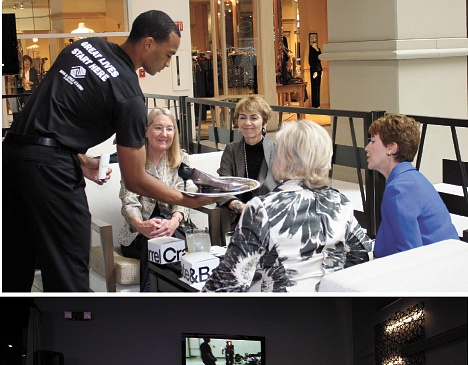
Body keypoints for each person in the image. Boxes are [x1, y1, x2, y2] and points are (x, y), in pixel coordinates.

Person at [2, 9, 215, 293]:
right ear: (149, 43)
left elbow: (53, 115)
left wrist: (77, 158)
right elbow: (135, 179)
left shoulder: (85, 46)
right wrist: (187, 200)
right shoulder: (130, 96)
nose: (168, 63)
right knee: (69, 272)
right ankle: (74, 333)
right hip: (49, 172)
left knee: (14, 265)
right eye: (168, 54)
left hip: (12, 156)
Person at [203, 119, 372, 292]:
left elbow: (229, 283)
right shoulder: (340, 202)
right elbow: (361, 256)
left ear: (286, 159)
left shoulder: (262, 208)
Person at [365, 114, 459, 259]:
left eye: (372, 141)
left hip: (435, 269)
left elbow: (410, 255)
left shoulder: (400, 189)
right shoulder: (408, 179)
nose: (366, 148)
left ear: (391, 148)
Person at [119, 107, 191, 291]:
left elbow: (184, 196)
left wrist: (175, 221)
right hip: (137, 233)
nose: (164, 134)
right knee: (155, 242)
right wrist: (141, 226)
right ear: (146, 130)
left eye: (169, 128)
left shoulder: (181, 159)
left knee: (165, 239)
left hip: (173, 227)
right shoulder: (133, 159)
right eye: (158, 128)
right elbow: (129, 200)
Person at [216, 95, 279, 230]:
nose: (247, 123)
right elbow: (222, 187)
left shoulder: (277, 151)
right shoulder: (231, 150)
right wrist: (240, 207)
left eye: (254, 118)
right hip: (238, 216)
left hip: (270, 216)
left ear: (264, 122)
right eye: (242, 117)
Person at [308, 40, 322, 108]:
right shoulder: (311, 49)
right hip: (315, 70)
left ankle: (318, 104)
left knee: (318, 87)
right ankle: (314, 104)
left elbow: (320, 60)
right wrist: (314, 71)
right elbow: (310, 61)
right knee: (314, 87)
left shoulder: (318, 49)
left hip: (319, 69)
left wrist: (321, 70)